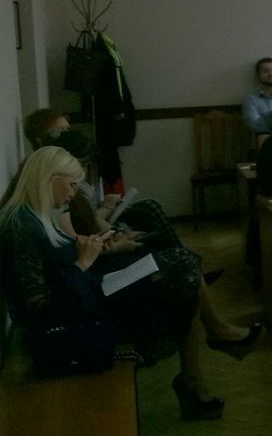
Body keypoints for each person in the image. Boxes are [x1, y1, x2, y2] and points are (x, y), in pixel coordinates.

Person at [0, 147, 242, 419]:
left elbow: (57, 274)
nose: (72, 194)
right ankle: (195, 375)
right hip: (77, 322)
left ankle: (195, 375)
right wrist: (83, 261)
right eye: (71, 185)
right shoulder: (21, 225)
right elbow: (42, 308)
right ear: (49, 179)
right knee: (181, 274)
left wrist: (88, 250)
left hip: (87, 298)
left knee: (179, 267)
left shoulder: (31, 216)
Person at [241, 57, 272, 131]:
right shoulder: (251, 100)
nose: (271, 74)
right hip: (264, 136)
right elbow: (254, 124)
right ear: (258, 75)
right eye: (265, 71)